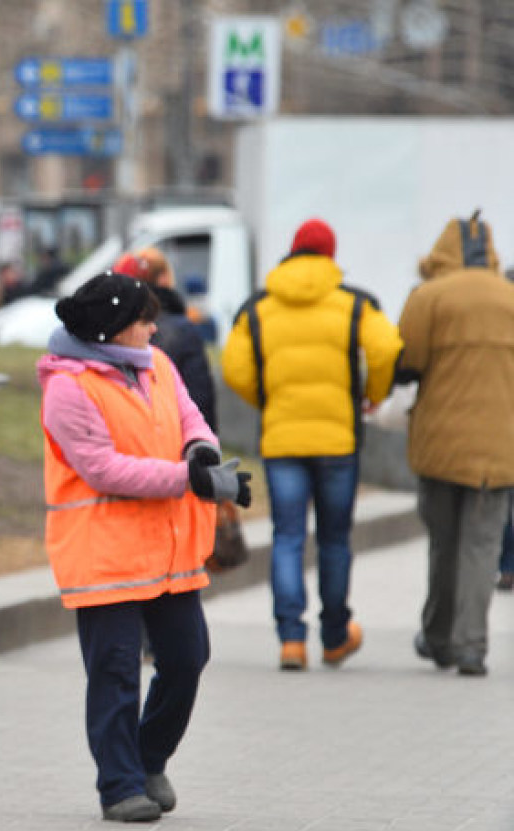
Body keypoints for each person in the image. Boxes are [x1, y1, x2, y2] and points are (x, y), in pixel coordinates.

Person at [39, 270, 251, 823]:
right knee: (114, 671)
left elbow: (189, 418)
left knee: (187, 657)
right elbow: (103, 468)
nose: (154, 328)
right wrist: (188, 480)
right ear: (112, 328)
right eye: (143, 320)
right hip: (103, 553)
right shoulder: (68, 387)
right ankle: (119, 785)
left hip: (168, 545)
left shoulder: (156, 364)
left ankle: (148, 756)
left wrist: (203, 453)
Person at [222, 218, 401, 672]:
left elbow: (234, 367)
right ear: (330, 255)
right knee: (335, 540)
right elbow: (386, 350)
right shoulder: (354, 304)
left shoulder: (259, 307)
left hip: (283, 440)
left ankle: (291, 640)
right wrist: (372, 395)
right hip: (337, 439)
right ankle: (336, 635)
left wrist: (268, 398)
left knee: (287, 537)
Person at [397, 214, 514, 676]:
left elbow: (406, 361)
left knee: (444, 544)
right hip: (500, 447)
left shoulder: (429, 297)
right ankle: (471, 645)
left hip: (440, 445)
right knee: (481, 547)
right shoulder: (510, 297)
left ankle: (440, 637)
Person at [113, 249, 217, 432]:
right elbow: (199, 395)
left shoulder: (110, 328)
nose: (151, 328)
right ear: (163, 278)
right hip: (172, 435)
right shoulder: (183, 328)